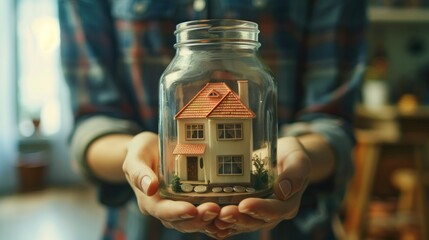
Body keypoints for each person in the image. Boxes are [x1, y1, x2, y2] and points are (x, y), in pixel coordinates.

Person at [59, 0, 367, 239]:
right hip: (139, 230)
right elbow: (93, 120)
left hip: (292, 231)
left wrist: (297, 158)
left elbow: (331, 120)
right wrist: (137, 157)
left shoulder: (254, 78)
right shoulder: (178, 78)